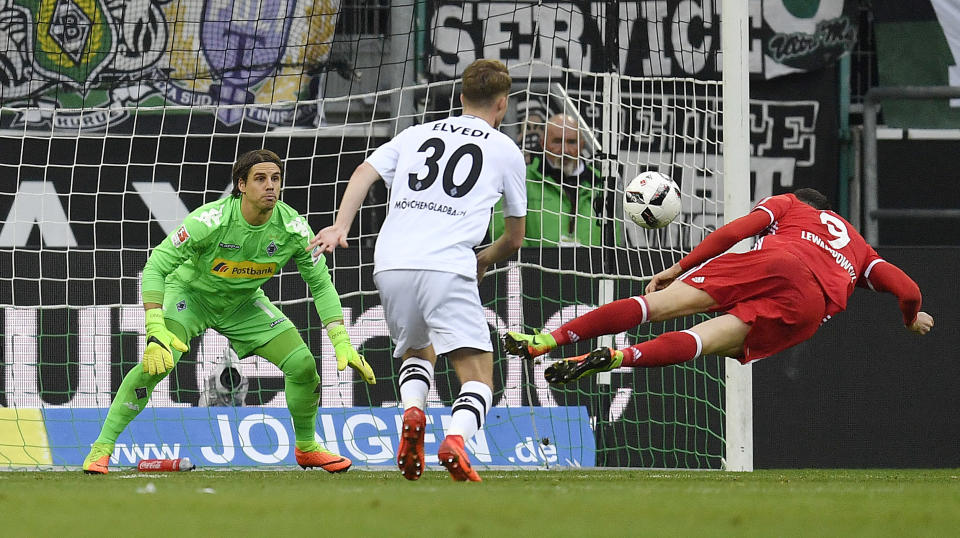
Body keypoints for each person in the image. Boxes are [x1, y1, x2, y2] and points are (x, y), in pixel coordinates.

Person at [82, 149, 376, 474]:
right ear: (241, 185)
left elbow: (321, 285)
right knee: (157, 364)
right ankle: (102, 447)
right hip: (191, 297)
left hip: (242, 303)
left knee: (303, 365)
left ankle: (307, 448)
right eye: (261, 179)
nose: (270, 187)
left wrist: (341, 341)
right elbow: (155, 267)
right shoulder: (209, 221)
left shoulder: (293, 228)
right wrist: (154, 328)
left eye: (275, 179)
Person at [308, 59, 526, 482]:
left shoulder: (415, 134)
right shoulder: (505, 150)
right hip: (447, 263)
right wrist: (483, 259)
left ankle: (412, 411)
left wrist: (340, 226)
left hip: (390, 262)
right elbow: (514, 238)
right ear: (502, 105)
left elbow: (363, 172)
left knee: (416, 350)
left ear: (461, 99)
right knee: (478, 375)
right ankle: (456, 440)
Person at [504, 188, 934, 382]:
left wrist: (679, 267)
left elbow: (732, 233)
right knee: (702, 342)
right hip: (808, 306)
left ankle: (549, 338)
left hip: (775, 261)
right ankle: (619, 357)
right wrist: (910, 319)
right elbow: (909, 290)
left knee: (653, 306)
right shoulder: (860, 249)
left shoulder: (790, 205)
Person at [492, 113, 611, 246]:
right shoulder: (522, 180)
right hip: (535, 266)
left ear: (582, 145)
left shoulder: (601, 185)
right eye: (557, 141)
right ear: (543, 144)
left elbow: (612, 238)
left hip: (589, 266)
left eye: (571, 142)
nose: (565, 150)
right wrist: (530, 264)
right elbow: (502, 230)